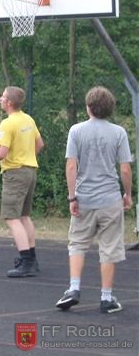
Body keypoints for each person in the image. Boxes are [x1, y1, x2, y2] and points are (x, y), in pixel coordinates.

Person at [56, 86, 132, 314]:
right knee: (109, 248)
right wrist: (127, 194)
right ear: (110, 108)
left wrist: (72, 197)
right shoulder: (119, 132)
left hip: (85, 197)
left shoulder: (76, 131)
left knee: (78, 242)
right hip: (110, 198)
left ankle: (74, 288)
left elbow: (71, 165)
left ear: (88, 107)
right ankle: (106, 297)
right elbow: (125, 169)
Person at [0, 86, 44, 277]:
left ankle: (26, 261)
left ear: (9, 102)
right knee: (24, 216)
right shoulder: (28, 119)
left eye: (2, 97)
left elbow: (1, 153)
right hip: (30, 170)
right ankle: (31, 258)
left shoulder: (7, 124)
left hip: (15, 173)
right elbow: (40, 145)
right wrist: (26, 156)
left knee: (11, 217)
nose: (0, 99)